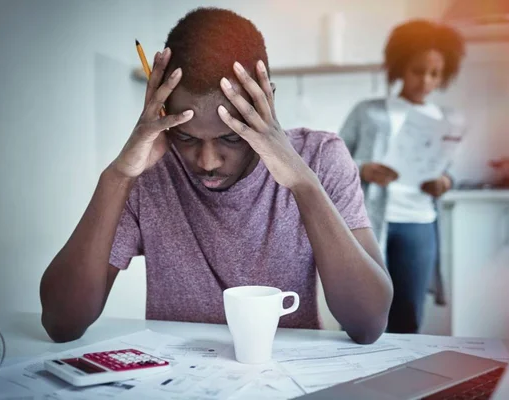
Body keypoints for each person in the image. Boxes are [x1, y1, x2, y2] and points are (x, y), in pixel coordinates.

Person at [40, 7, 393, 344]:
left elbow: (368, 323)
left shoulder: (319, 157)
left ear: (266, 105)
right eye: (186, 137)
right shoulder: (147, 171)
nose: (207, 161)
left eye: (230, 137)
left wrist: (303, 183)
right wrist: (117, 176)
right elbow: (62, 323)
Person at [339, 19, 466, 334]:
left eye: (434, 73)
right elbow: (335, 161)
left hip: (418, 223)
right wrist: (364, 168)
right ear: (400, 67)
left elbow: (450, 170)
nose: (425, 80)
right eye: (417, 70)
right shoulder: (369, 112)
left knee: (407, 315)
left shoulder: (445, 120)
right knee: (362, 313)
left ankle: (403, 382)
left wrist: (445, 182)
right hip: (368, 223)